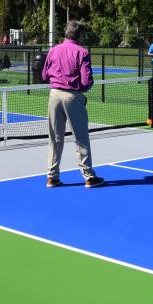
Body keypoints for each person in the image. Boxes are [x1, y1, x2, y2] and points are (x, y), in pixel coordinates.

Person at [41, 20, 104, 189]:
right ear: (80, 35)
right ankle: (89, 177)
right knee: (81, 138)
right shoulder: (82, 52)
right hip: (72, 96)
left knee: (54, 138)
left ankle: (52, 177)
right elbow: (86, 81)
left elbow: (44, 74)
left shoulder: (53, 50)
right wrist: (80, 90)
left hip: (54, 95)